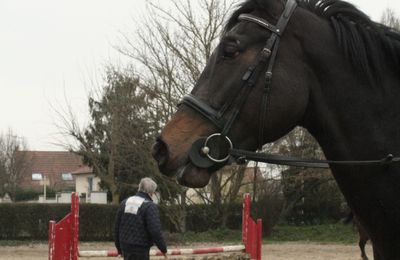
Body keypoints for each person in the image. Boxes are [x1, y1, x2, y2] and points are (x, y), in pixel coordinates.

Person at [114, 177, 168, 260]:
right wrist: (163, 249)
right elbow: (155, 231)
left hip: (125, 247)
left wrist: (119, 249)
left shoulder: (125, 202)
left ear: (139, 188)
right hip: (140, 249)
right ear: (151, 192)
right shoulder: (149, 206)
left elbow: (117, 227)